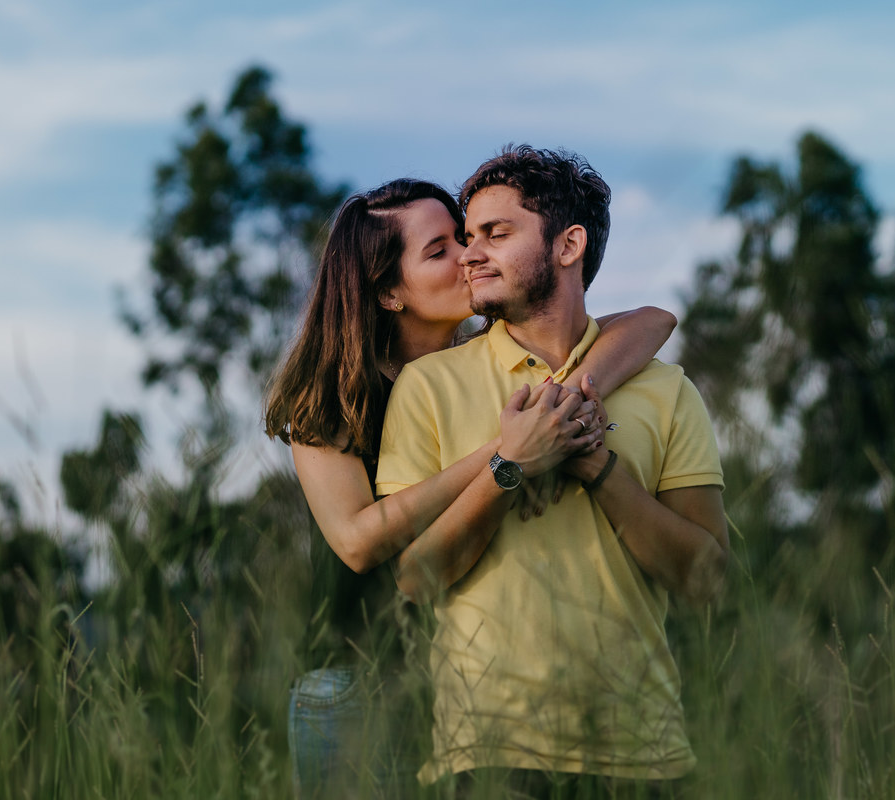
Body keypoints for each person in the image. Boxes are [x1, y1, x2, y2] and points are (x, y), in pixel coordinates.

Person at [262, 177, 677, 797]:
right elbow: (357, 541)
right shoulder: (333, 398)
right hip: (356, 684)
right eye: (440, 250)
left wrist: (561, 402)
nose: (469, 255)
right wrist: (508, 453)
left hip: (457, 677)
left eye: (465, 237)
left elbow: (652, 321)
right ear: (390, 293)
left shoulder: (479, 365)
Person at [375, 147, 729, 798]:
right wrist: (511, 467)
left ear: (569, 245)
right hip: (486, 755)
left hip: (643, 755)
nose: (470, 255)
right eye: (467, 237)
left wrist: (597, 467)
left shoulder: (667, 390)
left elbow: (707, 578)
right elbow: (416, 579)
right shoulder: (427, 387)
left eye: (496, 234)